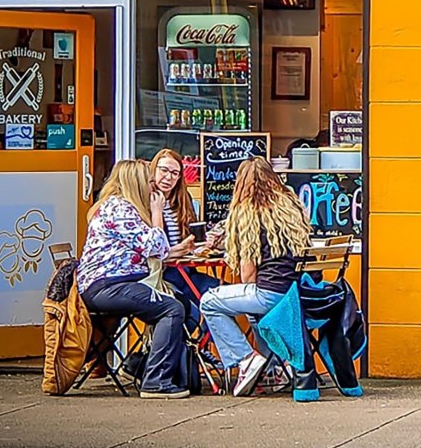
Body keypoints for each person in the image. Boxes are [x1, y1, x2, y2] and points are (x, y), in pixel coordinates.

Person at [76, 159, 194, 399]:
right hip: (106, 287)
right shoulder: (119, 208)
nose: (153, 187)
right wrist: (157, 212)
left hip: (115, 283)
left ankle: (140, 365)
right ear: (136, 183)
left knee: (180, 301)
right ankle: (156, 381)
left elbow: (151, 249)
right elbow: (154, 246)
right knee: (170, 308)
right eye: (148, 182)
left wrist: (172, 251)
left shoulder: (120, 206)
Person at [200, 156, 309, 396]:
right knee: (252, 312)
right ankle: (275, 369)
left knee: (208, 301)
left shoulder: (248, 212)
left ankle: (246, 359)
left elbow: (248, 276)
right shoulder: (290, 206)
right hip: (294, 293)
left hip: (269, 293)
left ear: (240, 184)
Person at [149, 149, 220, 324]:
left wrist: (204, 244)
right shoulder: (146, 201)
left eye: (175, 173)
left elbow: (189, 244)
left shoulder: (182, 200)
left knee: (221, 294)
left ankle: (200, 347)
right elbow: (153, 253)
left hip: (185, 271)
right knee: (190, 310)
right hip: (161, 276)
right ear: (153, 169)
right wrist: (181, 249)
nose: (168, 178)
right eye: (163, 170)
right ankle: (189, 348)